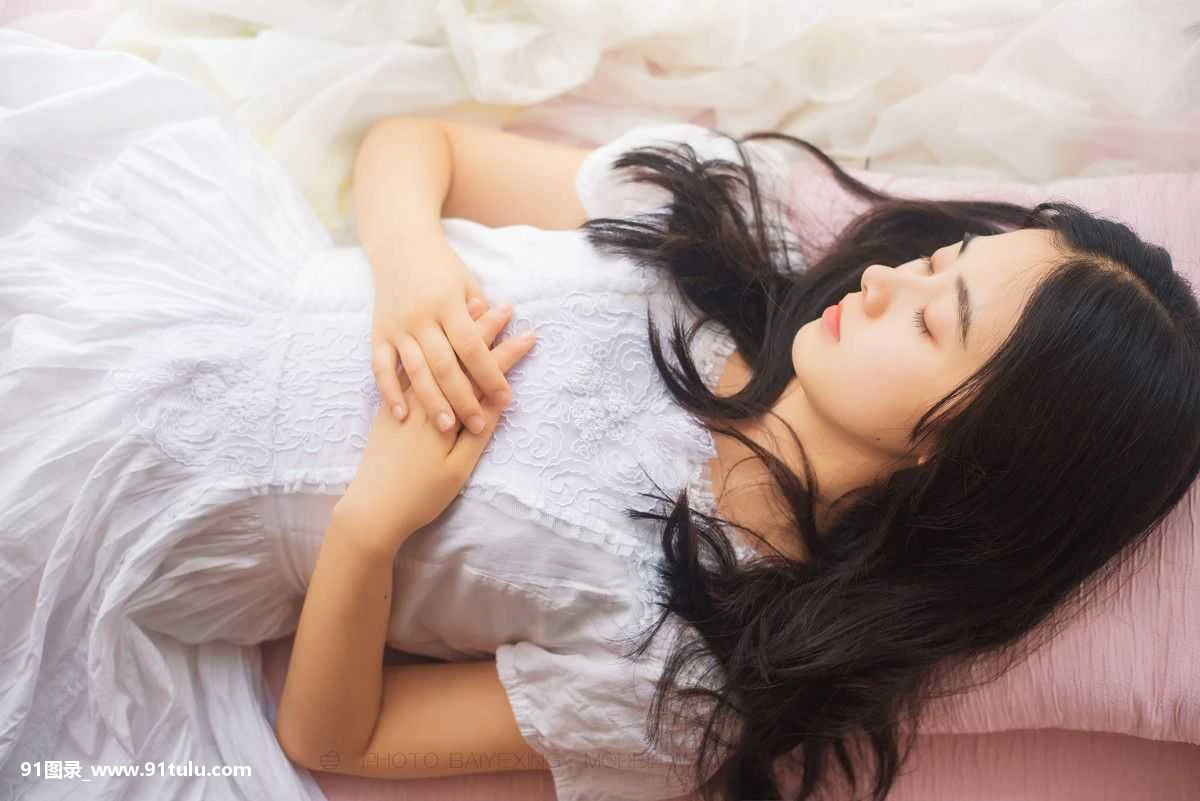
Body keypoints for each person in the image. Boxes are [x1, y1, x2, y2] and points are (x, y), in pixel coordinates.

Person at [2, 27, 1198, 801]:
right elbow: (420, 147)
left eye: (935, 323)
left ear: (964, 458)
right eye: (935, 262)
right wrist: (414, 273)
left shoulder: (696, 670)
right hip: (152, 264)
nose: (883, 281)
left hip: (111, 525)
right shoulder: (724, 247)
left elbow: (336, 742)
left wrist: (374, 526)